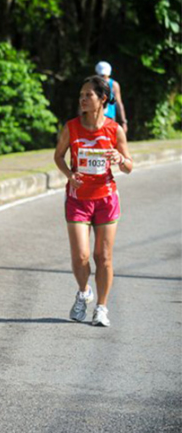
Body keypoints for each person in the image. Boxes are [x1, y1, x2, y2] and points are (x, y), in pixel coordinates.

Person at [53, 75, 132, 327]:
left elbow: (129, 166)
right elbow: (58, 156)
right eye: (81, 95)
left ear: (103, 99)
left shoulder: (114, 129)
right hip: (78, 199)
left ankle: (101, 307)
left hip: (106, 199)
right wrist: (69, 174)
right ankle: (84, 291)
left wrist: (119, 159)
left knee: (104, 256)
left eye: (88, 95)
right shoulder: (72, 127)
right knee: (81, 256)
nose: (83, 99)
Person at [95, 61, 128, 134]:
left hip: (109, 118)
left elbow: (119, 104)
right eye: (102, 75)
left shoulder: (114, 85)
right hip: (96, 118)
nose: (103, 77)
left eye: (104, 75)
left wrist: (123, 121)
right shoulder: (93, 84)